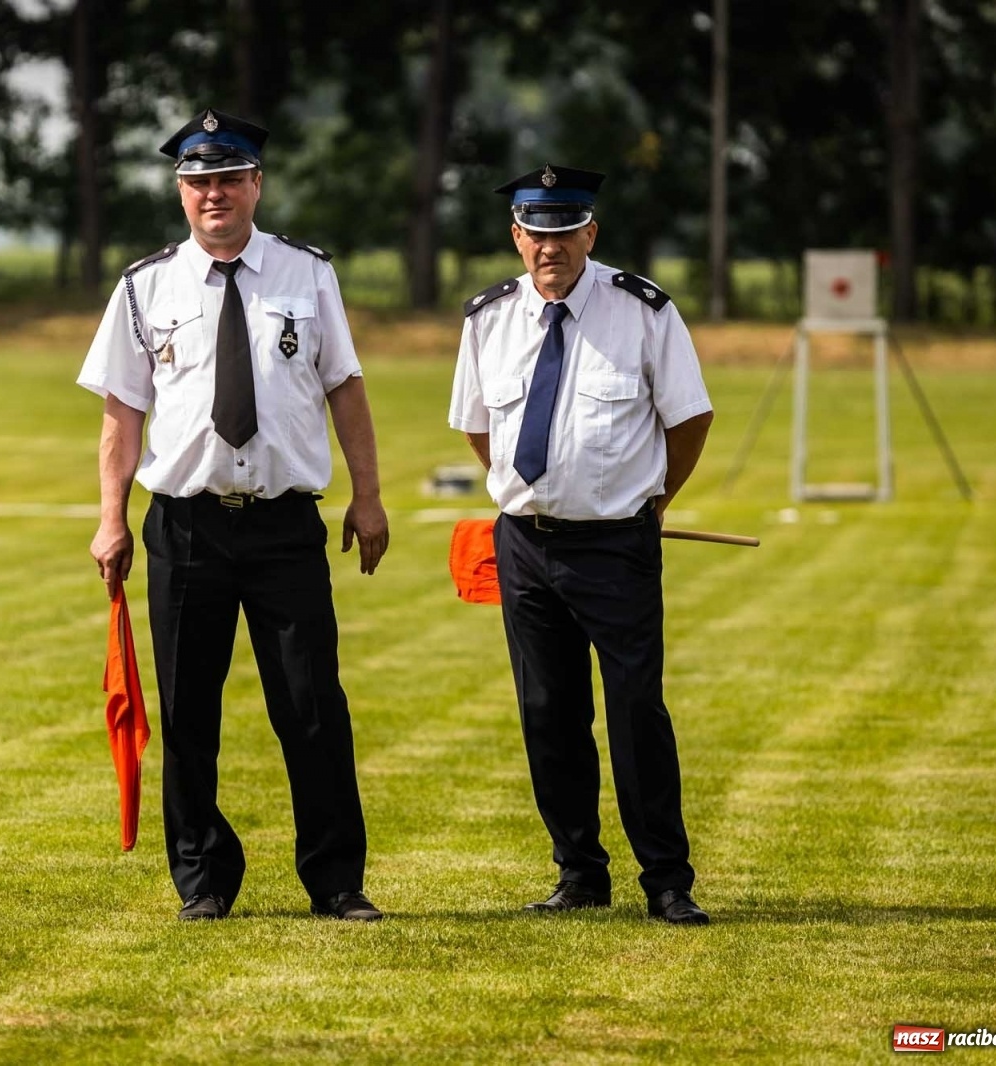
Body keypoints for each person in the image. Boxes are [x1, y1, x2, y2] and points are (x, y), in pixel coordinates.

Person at [79, 108, 391, 923]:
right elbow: (122, 410)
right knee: (189, 714)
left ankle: (336, 881)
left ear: (257, 183)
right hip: (185, 525)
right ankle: (204, 880)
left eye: (227, 178)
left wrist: (369, 493)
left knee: (312, 705)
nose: (212, 193)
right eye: (197, 181)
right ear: (181, 193)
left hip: (286, 525)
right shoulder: (145, 286)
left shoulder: (307, 273)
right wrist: (110, 517)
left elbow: (344, 387)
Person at [447, 164, 715, 926]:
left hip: (616, 547)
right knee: (548, 712)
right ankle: (579, 874)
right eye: (536, 231)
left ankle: (666, 881)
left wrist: (656, 499)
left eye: (565, 231)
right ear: (516, 236)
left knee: (636, 711)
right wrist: (529, 494)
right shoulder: (488, 319)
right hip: (526, 546)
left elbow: (689, 418)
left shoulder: (643, 311)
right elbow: (478, 427)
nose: (550, 247)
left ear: (590, 233)